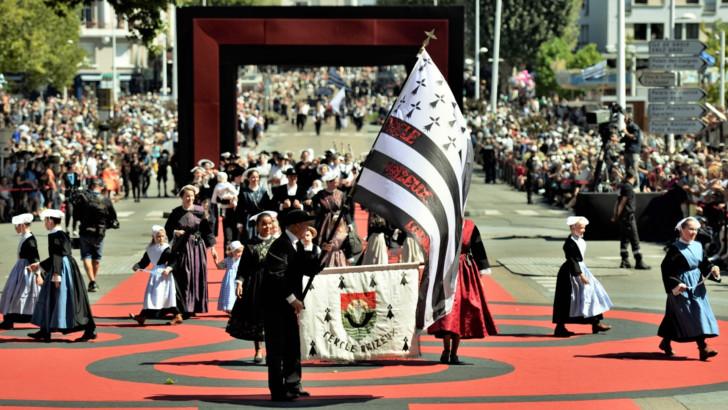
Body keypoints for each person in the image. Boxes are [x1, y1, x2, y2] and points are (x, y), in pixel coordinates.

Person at [262, 209, 322, 401]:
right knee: (277, 349)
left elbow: (309, 269)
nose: (308, 227)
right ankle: (278, 391)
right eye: (305, 223)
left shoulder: (296, 244)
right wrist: (292, 299)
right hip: (276, 306)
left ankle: (293, 384)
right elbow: (276, 276)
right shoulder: (280, 246)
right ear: (296, 225)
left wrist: (317, 248)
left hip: (289, 305)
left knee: (292, 346)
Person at [428, 219, 498, 363]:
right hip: (453, 271)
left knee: (458, 310)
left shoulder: (454, 224)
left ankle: (450, 352)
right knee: (452, 312)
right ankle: (450, 351)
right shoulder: (456, 224)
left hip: (458, 271)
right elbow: (478, 249)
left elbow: (477, 248)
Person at [27, 209, 96, 342]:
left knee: (67, 300)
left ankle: (88, 329)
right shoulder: (58, 234)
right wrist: (40, 265)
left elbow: (58, 256)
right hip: (62, 267)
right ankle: (45, 330)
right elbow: (55, 256)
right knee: (53, 298)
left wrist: (57, 276)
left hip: (61, 269)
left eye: (45, 221)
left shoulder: (57, 235)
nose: (44, 224)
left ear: (50, 221)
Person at [657, 217, 721, 361]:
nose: (694, 232)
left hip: (697, 286)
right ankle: (703, 347)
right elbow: (666, 268)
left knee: (677, 316)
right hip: (682, 286)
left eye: (696, 229)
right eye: (690, 229)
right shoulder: (674, 248)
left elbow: (704, 264)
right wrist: (675, 284)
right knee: (692, 314)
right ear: (682, 230)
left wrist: (713, 269)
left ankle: (665, 342)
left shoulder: (698, 246)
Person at [226, 211, 277, 363]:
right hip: (255, 284)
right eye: (264, 224)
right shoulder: (249, 244)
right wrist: (239, 283)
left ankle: (271, 351)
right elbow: (243, 267)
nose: (267, 226)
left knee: (272, 319)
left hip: (273, 284)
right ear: (257, 226)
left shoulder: (277, 243)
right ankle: (258, 350)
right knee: (257, 317)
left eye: (269, 223)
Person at [164, 185, 218, 324]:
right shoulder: (176, 212)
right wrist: (175, 232)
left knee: (197, 275)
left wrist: (212, 247)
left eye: (192, 196)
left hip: (196, 247)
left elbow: (207, 230)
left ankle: (195, 305)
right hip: (181, 247)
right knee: (184, 275)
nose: (190, 198)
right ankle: (183, 307)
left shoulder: (200, 211)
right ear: (182, 197)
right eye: (187, 196)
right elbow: (167, 229)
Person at [552, 216, 613, 337]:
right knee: (567, 299)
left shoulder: (581, 241)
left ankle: (595, 323)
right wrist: (580, 275)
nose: (583, 230)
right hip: (570, 273)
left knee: (591, 294)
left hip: (581, 269)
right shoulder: (569, 244)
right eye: (581, 228)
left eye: (584, 228)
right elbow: (572, 260)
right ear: (573, 228)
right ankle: (560, 327)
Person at [76, 178, 119, 293]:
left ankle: (92, 281)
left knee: (86, 256)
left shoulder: (83, 198)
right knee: (96, 258)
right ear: (100, 187)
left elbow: (76, 214)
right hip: (99, 233)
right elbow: (113, 217)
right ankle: (93, 280)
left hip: (85, 230)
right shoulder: (105, 200)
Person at [129, 225, 177, 326]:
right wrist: (137, 266)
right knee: (151, 296)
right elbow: (144, 261)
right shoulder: (150, 249)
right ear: (154, 237)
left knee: (165, 296)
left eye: (162, 236)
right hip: (155, 275)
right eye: (158, 237)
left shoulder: (166, 248)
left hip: (164, 275)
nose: (161, 238)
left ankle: (177, 315)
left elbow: (174, 260)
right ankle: (142, 316)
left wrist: (168, 268)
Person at [0, 213, 40, 329]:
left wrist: (37, 274)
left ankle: (15, 318)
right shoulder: (25, 237)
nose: (15, 228)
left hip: (26, 270)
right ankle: (9, 319)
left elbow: (35, 259)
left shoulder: (30, 240)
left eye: (17, 225)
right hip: (20, 269)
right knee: (12, 293)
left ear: (22, 225)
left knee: (21, 294)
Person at [612, 171, 650, 270]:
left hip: (623, 217)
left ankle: (624, 260)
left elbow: (617, 202)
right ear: (633, 177)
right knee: (634, 239)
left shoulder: (622, 187)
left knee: (624, 239)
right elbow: (622, 203)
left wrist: (616, 215)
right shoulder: (628, 188)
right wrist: (617, 215)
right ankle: (639, 261)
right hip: (628, 216)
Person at [217, 241, 244, 314]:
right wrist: (215, 259)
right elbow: (219, 266)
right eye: (237, 252)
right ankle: (229, 309)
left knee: (238, 294)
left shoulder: (242, 260)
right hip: (229, 281)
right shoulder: (228, 260)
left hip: (238, 279)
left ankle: (237, 309)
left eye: (241, 252)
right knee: (229, 293)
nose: (239, 254)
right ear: (232, 252)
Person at [621, 115, 643, 184]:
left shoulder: (634, 126)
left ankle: (637, 186)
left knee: (634, 170)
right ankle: (629, 184)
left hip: (633, 152)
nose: (624, 121)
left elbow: (634, 137)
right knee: (628, 170)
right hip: (627, 151)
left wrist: (626, 132)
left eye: (625, 119)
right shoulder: (628, 127)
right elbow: (624, 139)